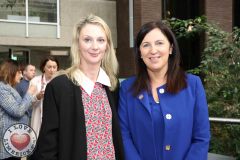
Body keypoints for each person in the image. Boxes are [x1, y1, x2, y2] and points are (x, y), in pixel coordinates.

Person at [31, 14, 124, 160]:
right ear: (77, 44)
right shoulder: (59, 86)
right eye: (87, 40)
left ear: (107, 46)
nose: (94, 46)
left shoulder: (112, 85)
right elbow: (47, 146)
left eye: (100, 40)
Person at [118, 21, 210, 160]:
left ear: (171, 48)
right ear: (140, 52)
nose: (153, 50)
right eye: (146, 45)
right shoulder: (127, 88)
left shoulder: (193, 85)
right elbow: (124, 137)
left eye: (159, 43)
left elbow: (201, 138)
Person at [0, 59, 36, 160]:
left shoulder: (9, 87)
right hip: (7, 144)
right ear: (11, 71)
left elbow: (22, 106)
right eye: (19, 72)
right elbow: (17, 111)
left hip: (14, 141)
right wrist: (29, 93)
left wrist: (36, 97)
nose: (21, 76)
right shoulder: (2, 89)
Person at [30, 56, 59, 137]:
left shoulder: (60, 82)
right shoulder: (35, 81)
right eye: (49, 67)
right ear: (43, 67)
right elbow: (28, 104)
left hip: (54, 120)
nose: (52, 70)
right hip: (38, 118)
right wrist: (37, 97)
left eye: (54, 67)